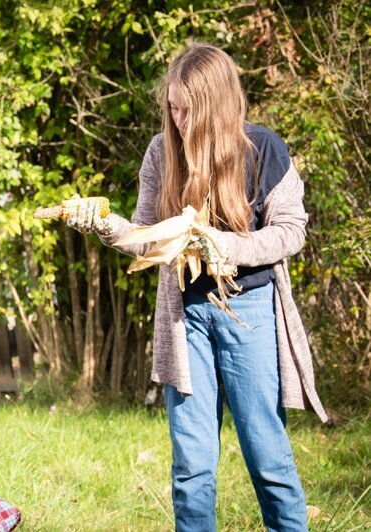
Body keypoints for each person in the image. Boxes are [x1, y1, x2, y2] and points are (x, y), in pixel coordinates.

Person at [66, 43, 326, 531]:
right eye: (172, 107)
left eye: (188, 109)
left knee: (268, 457)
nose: (178, 119)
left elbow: (292, 231)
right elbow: (144, 236)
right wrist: (102, 223)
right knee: (192, 466)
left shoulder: (264, 149)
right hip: (186, 320)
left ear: (217, 105)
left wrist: (225, 246)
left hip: (249, 311)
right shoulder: (160, 153)